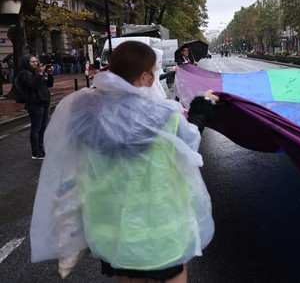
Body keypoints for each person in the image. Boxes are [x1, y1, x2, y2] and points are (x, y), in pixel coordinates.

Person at [30, 41, 218, 281]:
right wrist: (203, 105)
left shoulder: (84, 111)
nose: (154, 76)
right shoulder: (163, 115)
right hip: (160, 228)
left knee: (128, 275)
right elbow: (189, 142)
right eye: (153, 71)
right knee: (174, 274)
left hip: (112, 231)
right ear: (143, 76)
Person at [17, 54, 54, 159]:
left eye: (35, 61)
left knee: (43, 127)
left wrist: (50, 74)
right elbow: (33, 85)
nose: (35, 63)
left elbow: (49, 85)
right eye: (32, 62)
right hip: (35, 104)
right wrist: (40, 74)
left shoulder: (37, 72)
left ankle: (42, 149)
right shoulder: (24, 74)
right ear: (26, 63)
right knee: (36, 128)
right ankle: (35, 152)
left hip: (44, 102)